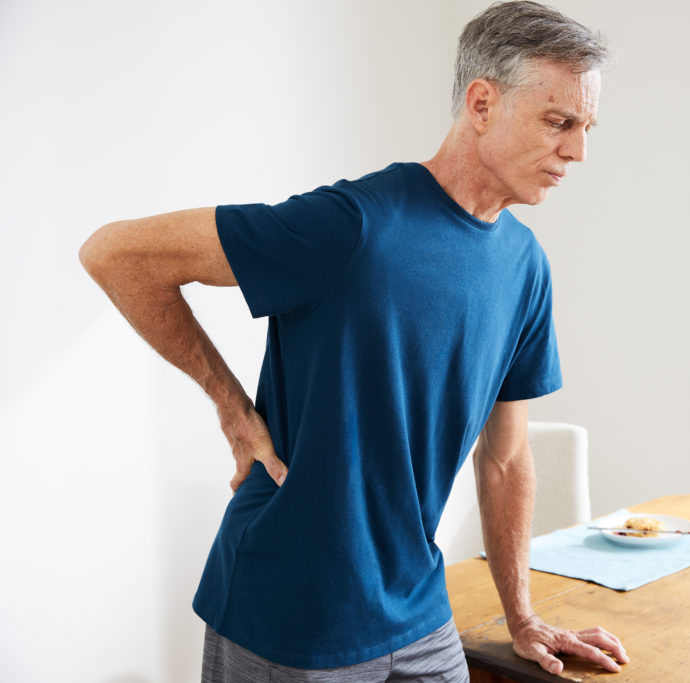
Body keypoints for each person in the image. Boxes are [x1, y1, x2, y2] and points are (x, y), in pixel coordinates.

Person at [79, 1, 627, 680]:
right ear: (482, 103)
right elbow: (116, 255)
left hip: (418, 608)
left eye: (585, 127)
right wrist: (228, 401)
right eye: (559, 122)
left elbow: (507, 461)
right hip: (291, 614)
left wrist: (522, 616)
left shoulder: (524, 266)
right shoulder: (350, 227)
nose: (577, 150)